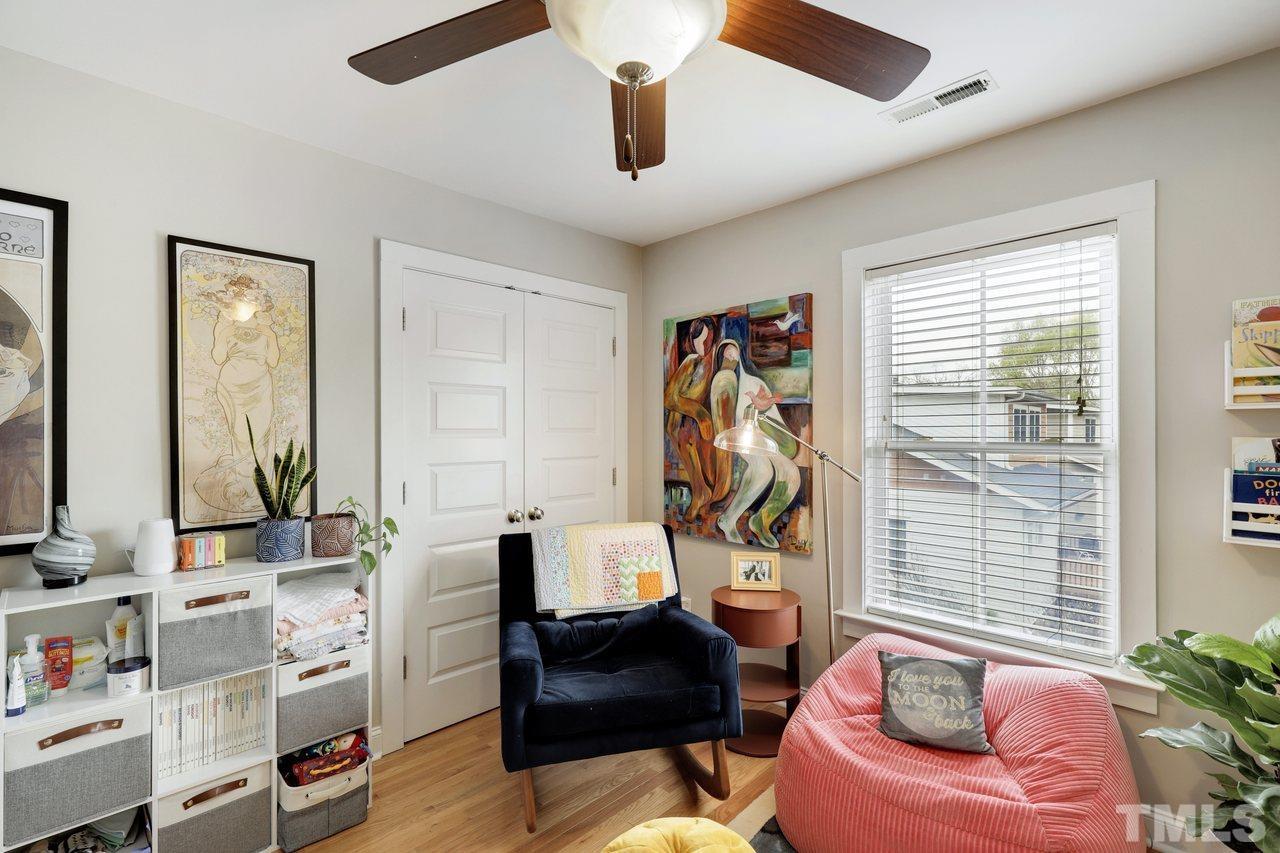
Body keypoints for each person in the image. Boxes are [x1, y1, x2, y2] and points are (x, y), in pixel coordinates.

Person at [193, 274, 280, 514]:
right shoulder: (226, 326)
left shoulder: (265, 326)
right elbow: (218, 357)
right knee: (241, 437)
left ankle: (258, 492)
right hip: (233, 386)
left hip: (260, 385)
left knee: (260, 436)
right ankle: (245, 488)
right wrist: (223, 334)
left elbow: (273, 360)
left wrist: (271, 335)